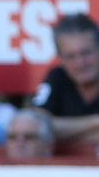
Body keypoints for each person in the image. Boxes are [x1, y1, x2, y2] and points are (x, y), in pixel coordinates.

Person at [33, 12, 99, 145]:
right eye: (70, 56)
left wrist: (60, 133)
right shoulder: (57, 76)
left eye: (86, 53)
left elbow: (46, 129)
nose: (80, 63)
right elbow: (35, 124)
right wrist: (95, 122)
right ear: (61, 59)